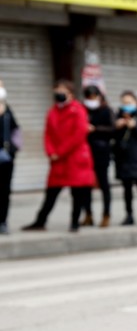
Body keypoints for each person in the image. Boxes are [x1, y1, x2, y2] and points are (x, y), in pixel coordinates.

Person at [23, 80, 95, 233]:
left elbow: (79, 134)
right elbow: (47, 134)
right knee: (51, 192)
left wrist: (60, 152)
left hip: (74, 157)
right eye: (57, 91)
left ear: (71, 94)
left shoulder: (78, 110)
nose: (59, 94)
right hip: (57, 159)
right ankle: (40, 221)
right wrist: (51, 152)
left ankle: (74, 223)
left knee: (77, 192)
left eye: (63, 91)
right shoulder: (52, 111)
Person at [113, 90, 137, 227]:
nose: (126, 105)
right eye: (124, 103)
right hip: (123, 158)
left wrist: (136, 127)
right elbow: (112, 135)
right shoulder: (118, 116)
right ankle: (129, 215)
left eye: (129, 102)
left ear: (136, 102)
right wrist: (117, 126)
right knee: (127, 189)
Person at [81, 85, 115, 228]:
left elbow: (113, 129)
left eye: (94, 96)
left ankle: (106, 215)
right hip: (86, 152)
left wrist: (95, 129)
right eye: (89, 96)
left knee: (104, 184)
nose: (91, 99)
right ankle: (88, 214)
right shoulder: (83, 110)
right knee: (85, 185)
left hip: (102, 151)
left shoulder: (106, 110)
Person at [0, 81, 20, 235]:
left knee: (4, 191)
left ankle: (3, 221)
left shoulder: (7, 110)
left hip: (6, 158)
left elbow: (16, 131)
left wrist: (14, 150)